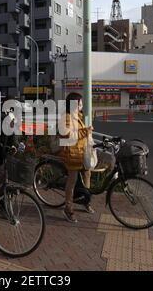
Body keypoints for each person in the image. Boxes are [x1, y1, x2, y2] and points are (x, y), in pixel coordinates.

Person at [58, 93, 94, 223]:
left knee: (87, 174)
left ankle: (85, 199)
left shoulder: (78, 116)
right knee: (71, 182)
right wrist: (85, 131)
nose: (82, 105)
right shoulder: (66, 117)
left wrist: (87, 132)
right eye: (80, 103)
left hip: (82, 152)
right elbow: (66, 135)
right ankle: (68, 209)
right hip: (72, 153)